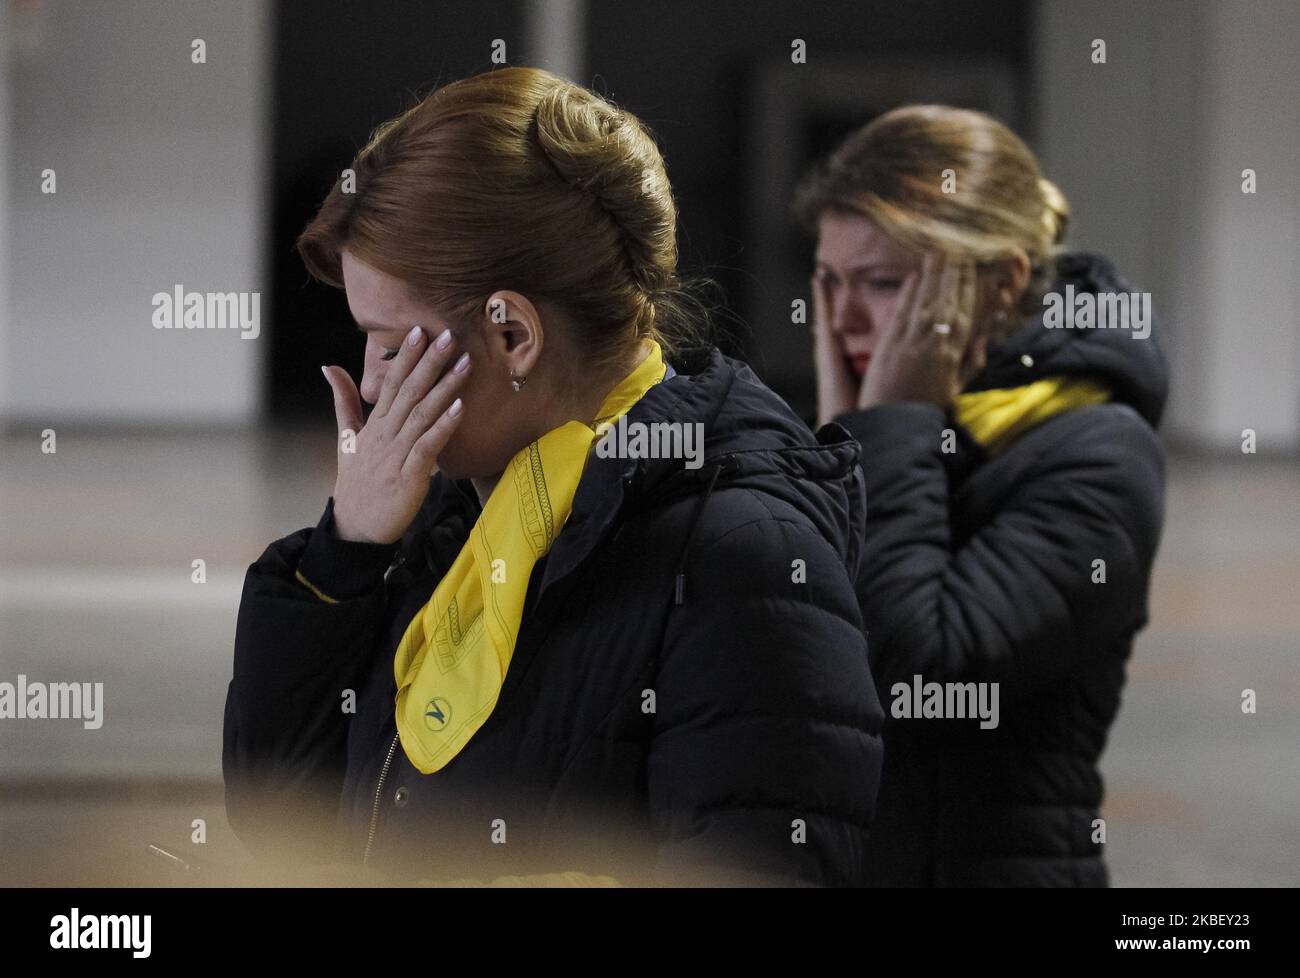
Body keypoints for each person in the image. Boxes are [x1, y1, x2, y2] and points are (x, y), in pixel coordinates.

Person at [223, 66, 883, 886]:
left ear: (513, 338)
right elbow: (284, 822)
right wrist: (344, 557)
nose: (372, 380)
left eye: (393, 344)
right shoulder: (449, 513)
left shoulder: (743, 559)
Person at [794, 104, 1167, 886]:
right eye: (829, 281)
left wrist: (881, 431)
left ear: (1003, 285)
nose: (841, 317)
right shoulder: (865, 425)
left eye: (884, 283)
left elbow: (917, 677)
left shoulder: (1097, 452)